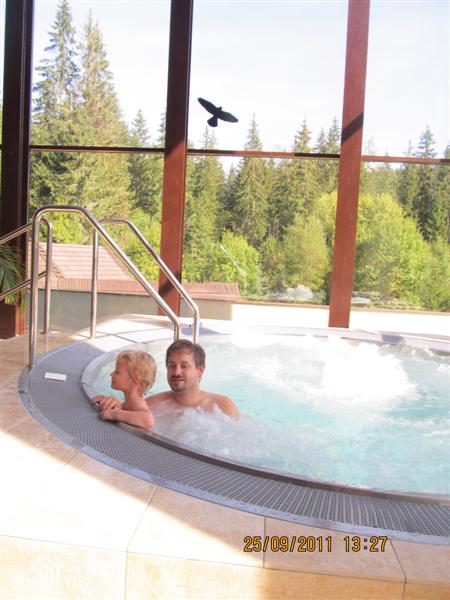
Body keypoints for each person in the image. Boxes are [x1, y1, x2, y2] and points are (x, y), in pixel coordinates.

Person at [95, 340, 240, 420]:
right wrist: (113, 405)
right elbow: (126, 412)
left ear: (200, 370)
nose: (176, 372)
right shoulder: (154, 404)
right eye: (172, 366)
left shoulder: (222, 406)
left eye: (184, 366)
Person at [91, 350, 156, 428]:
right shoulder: (129, 402)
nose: (111, 374)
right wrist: (108, 403)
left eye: (117, 372)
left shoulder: (138, 403)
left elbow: (148, 420)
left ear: (135, 380)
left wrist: (114, 414)